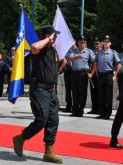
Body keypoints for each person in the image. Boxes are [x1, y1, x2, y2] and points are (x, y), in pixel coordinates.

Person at [12, 25, 65, 163]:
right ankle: (20, 138)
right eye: (54, 35)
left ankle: (49, 151)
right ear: (47, 35)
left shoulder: (53, 50)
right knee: (42, 119)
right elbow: (34, 47)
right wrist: (47, 40)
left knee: (53, 120)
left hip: (51, 91)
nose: (56, 38)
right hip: (39, 90)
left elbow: (56, 65)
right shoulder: (39, 49)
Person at [68, 35, 96, 117]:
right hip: (74, 73)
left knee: (82, 93)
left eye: (83, 42)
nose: (81, 44)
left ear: (85, 43)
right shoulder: (74, 50)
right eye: (80, 42)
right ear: (78, 42)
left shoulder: (89, 51)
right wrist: (77, 56)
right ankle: (75, 110)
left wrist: (92, 74)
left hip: (83, 73)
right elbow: (70, 59)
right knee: (75, 92)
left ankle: (81, 110)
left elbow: (95, 63)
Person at [95, 35, 121, 120]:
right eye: (104, 41)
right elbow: (95, 62)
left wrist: (115, 75)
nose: (106, 43)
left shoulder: (113, 53)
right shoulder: (99, 52)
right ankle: (102, 113)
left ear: (110, 43)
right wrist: (96, 73)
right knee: (101, 95)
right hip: (101, 74)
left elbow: (118, 64)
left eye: (107, 42)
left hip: (109, 74)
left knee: (109, 95)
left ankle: (108, 113)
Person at [88, 37, 101, 114]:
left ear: (100, 44)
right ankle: (94, 108)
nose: (96, 45)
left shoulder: (102, 52)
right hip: (92, 73)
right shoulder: (91, 52)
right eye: (95, 43)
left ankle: (100, 109)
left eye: (97, 43)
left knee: (100, 91)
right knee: (93, 91)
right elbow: (88, 61)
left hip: (99, 73)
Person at [61, 44, 75, 113]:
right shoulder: (65, 51)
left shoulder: (77, 51)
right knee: (68, 89)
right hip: (67, 70)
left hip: (74, 71)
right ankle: (68, 106)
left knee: (75, 90)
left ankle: (75, 107)